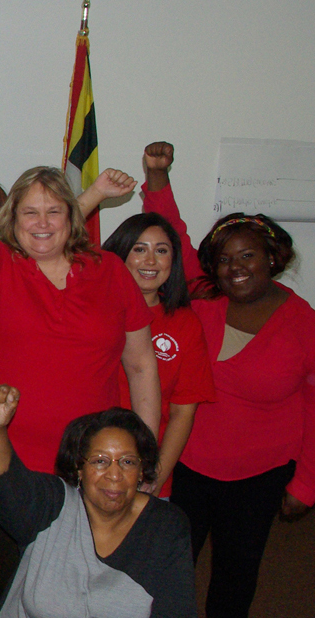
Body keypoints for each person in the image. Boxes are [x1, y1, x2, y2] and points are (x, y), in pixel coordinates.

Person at [0, 167, 160, 618]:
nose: (41, 223)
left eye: (53, 211)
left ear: (72, 217)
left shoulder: (109, 271)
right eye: (30, 212)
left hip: (79, 465)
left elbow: (141, 365)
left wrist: (141, 456)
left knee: (69, 578)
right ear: (11, 219)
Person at [173, 211, 315, 618]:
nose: (236, 268)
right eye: (224, 259)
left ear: (272, 257)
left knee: (237, 568)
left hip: (258, 473)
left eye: (247, 255)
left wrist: (307, 482)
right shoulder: (203, 303)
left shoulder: (310, 330)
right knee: (169, 561)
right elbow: (178, 241)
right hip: (185, 462)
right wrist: (157, 182)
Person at [0, 385, 196, 618]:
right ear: (79, 468)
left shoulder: (165, 526)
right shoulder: (52, 504)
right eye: (100, 461)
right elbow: (7, 484)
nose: (114, 475)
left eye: (128, 462)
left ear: (142, 471)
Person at [89, 143, 216, 496]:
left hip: (146, 466)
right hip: (85, 459)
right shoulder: (92, 312)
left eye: (161, 251)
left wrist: (154, 474)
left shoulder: (184, 323)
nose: (150, 261)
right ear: (119, 256)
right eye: (139, 249)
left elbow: (183, 413)